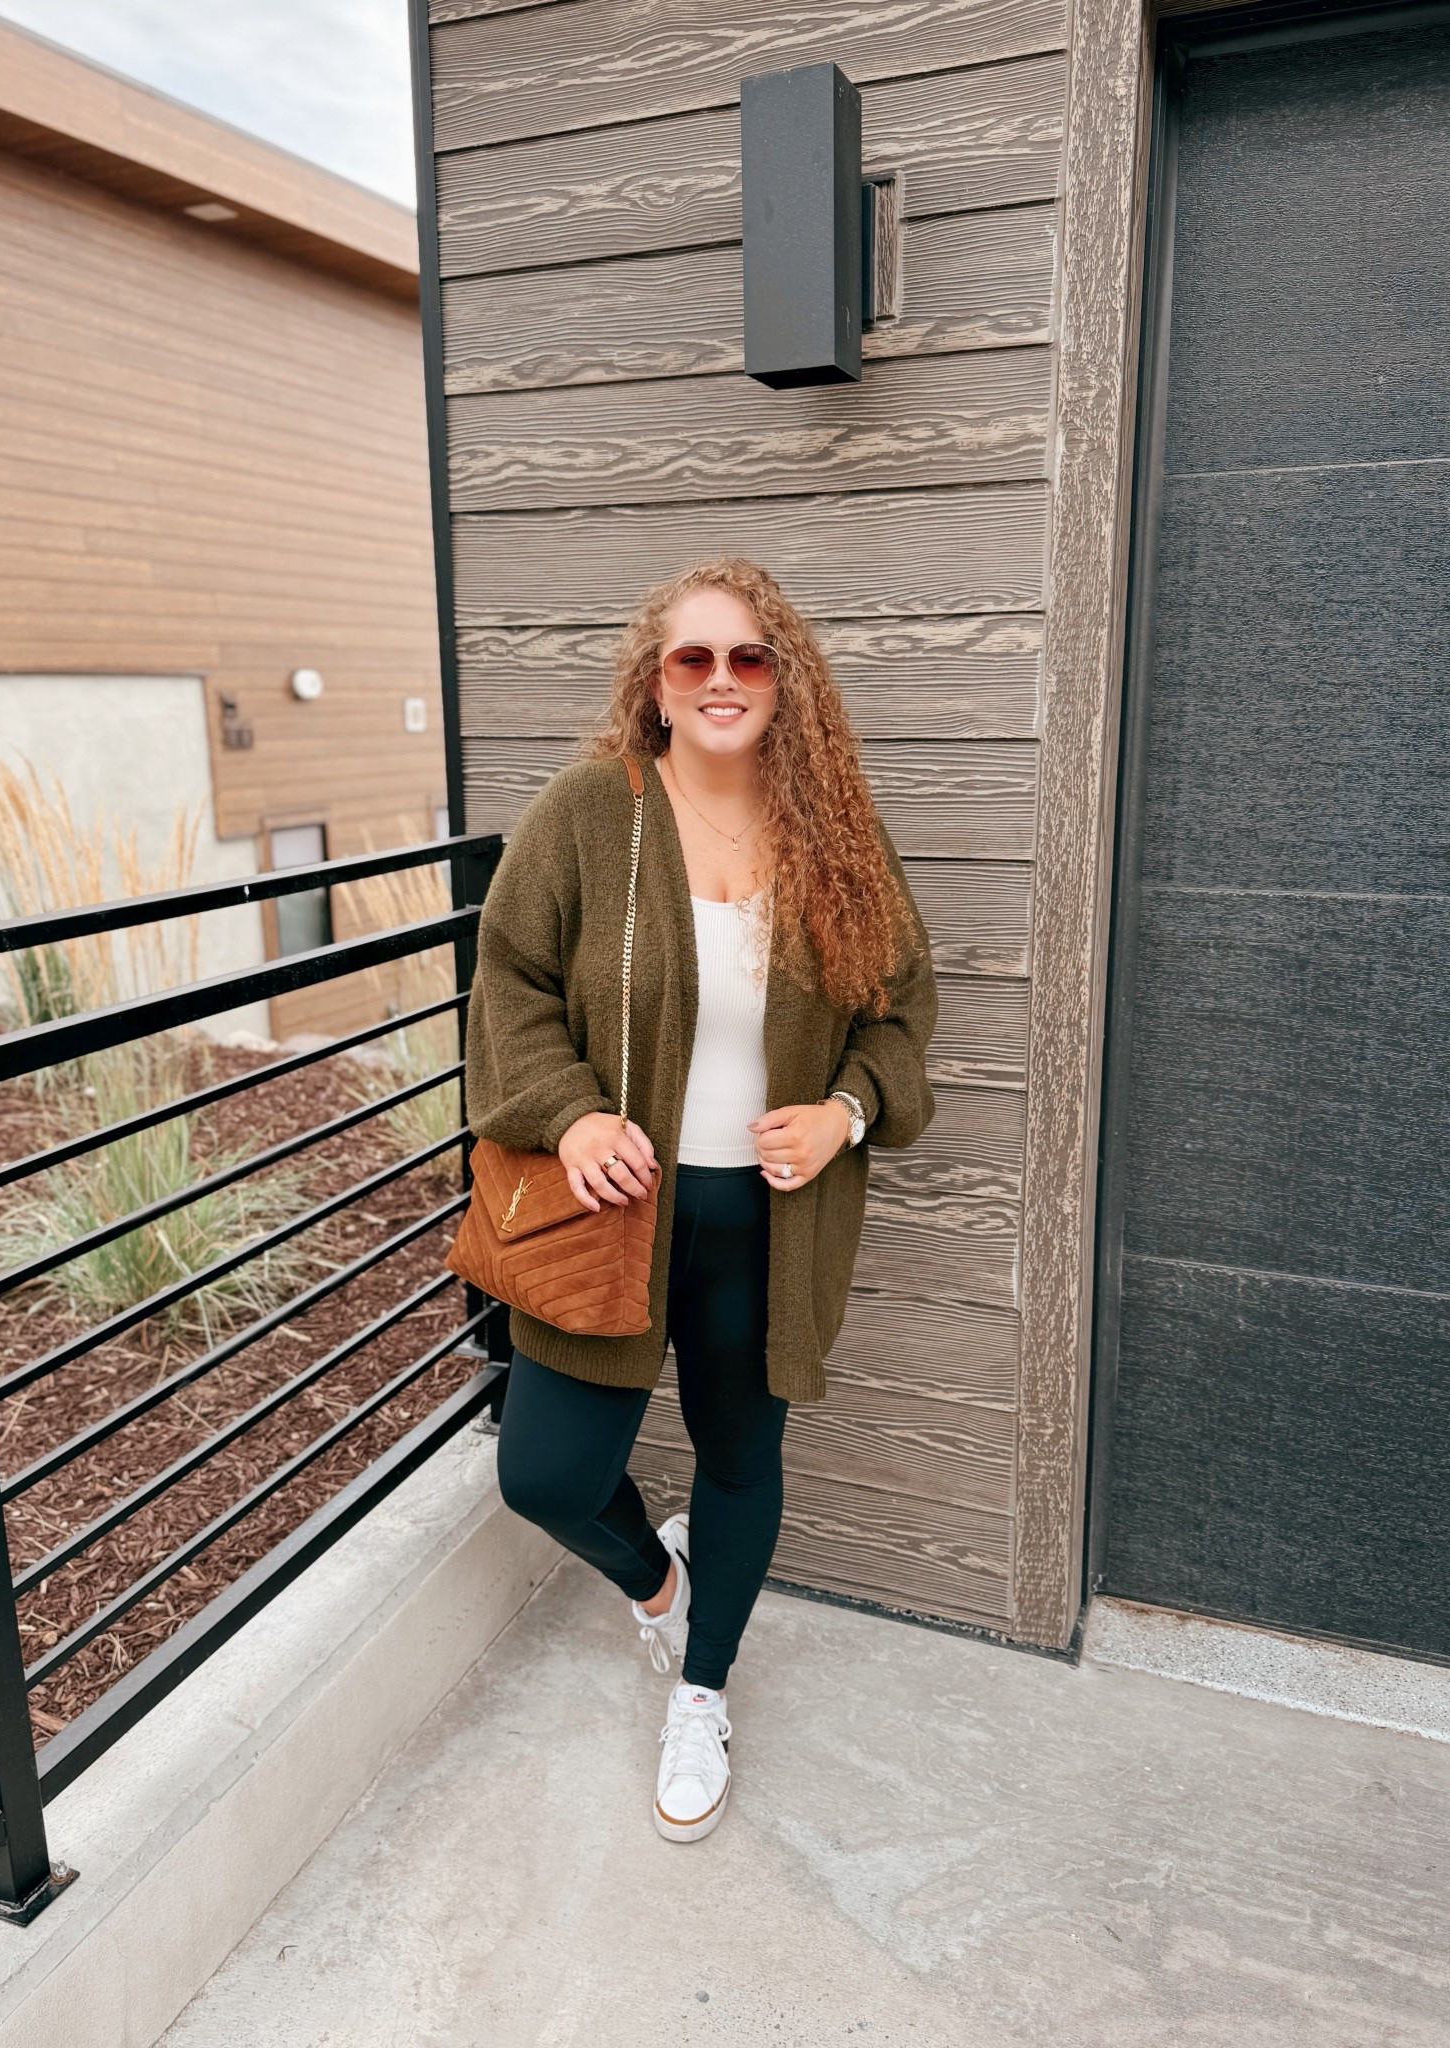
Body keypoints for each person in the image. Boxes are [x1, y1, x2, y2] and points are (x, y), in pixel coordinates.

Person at [463, 555, 939, 1844]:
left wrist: (843, 1114)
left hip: (769, 1226)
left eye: (749, 658)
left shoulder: (835, 834)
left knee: (740, 1458)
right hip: (617, 1216)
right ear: (656, 682)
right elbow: (507, 985)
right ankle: (659, 1585)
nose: (721, 680)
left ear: (786, 683)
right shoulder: (588, 815)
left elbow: (899, 1022)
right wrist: (568, 1116)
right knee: (549, 1474)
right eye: (694, 659)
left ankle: (704, 1686)